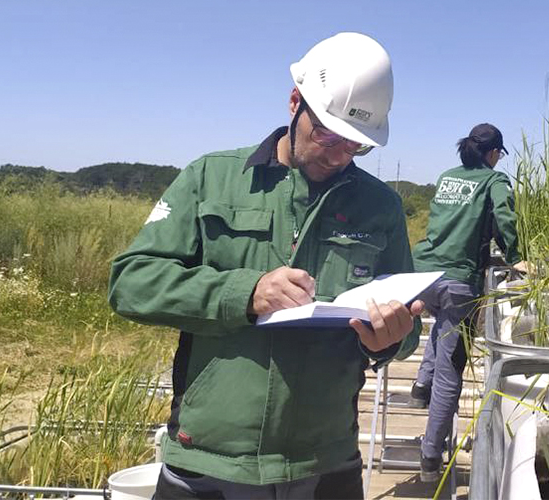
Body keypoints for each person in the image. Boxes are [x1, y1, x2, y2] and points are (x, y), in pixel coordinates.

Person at [109, 32, 423, 500]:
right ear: (295, 101)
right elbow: (131, 283)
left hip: (327, 463)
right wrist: (245, 293)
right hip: (210, 460)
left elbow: (405, 324)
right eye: (327, 135)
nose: (338, 156)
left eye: (356, 146)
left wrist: (391, 339)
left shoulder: (380, 207)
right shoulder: (211, 178)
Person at [409, 123, 526, 482]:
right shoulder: (495, 181)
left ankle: (419, 387)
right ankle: (430, 457)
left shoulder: (446, 177)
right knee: (452, 369)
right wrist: (517, 256)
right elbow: (505, 219)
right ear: (493, 154)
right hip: (459, 281)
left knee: (443, 327)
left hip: (422, 273)